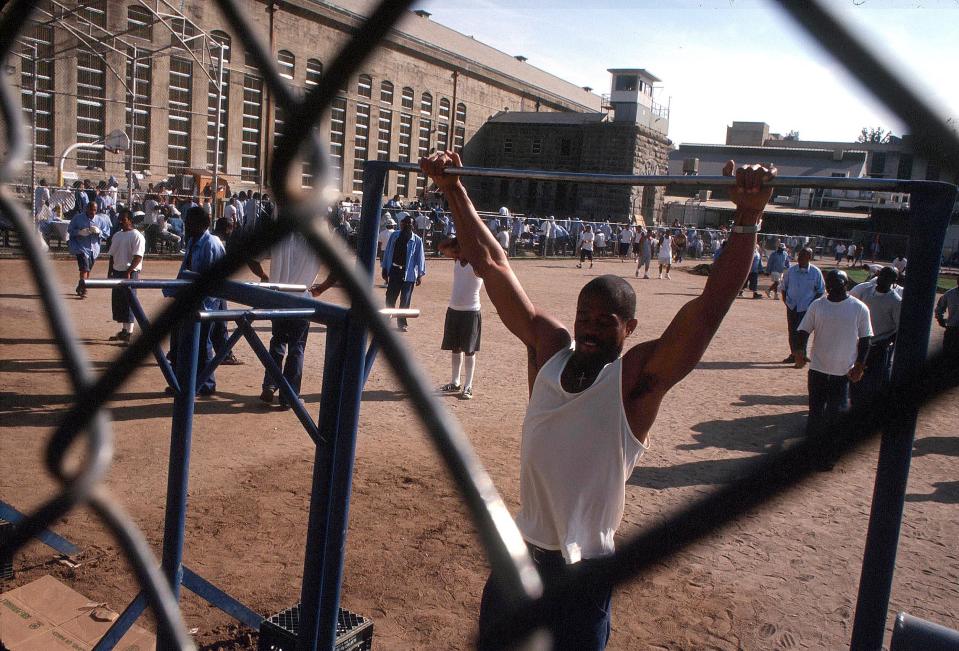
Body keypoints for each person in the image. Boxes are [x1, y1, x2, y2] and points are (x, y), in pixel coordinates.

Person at [420, 151, 777, 650]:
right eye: (584, 315)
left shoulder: (633, 382)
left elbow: (709, 307)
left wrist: (747, 220)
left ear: (629, 329)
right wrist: (452, 186)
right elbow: (492, 261)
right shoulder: (547, 349)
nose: (588, 326)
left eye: (604, 320)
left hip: (583, 572)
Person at [793, 269, 873, 470]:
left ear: (846, 285)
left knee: (835, 415)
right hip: (818, 370)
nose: (831, 288)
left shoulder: (858, 308)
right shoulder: (818, 305)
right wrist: (800, 351)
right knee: (816, 414)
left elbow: (866, 340)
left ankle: (829, 456)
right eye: (829, 285)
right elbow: (803, 330)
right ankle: (810, 454)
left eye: (836, 284)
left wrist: (860, 366)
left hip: (842, 372)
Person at [247, 233, 333, 408]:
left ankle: (270, 385)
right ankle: (289, 395)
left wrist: (264, 276)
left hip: (278, 296)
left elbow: (252, 258)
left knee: (277, 342)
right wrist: (321, 288)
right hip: (301, 298)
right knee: (297, 347)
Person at [164, 206, 226, 396]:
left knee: (202, 343)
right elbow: (186, 269)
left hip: (205, 301)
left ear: (202, 224)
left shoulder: (211, 243)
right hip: (188, 299)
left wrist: (201, 301)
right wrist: (173, 289)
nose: (186, 226)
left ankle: (206, 383)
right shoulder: (192, 241)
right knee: (181, 342)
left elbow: (212, 277)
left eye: (189, 223)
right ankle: (181, 381)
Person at [437, 237, 484, 400]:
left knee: (469, 350)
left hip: (471, 311)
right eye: (457, 249)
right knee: (455, 348)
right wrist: (458, 239)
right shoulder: (457, 261)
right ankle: (455, 382)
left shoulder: (477, 265)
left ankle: (468, 385)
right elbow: (442, 246)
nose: (456, 252)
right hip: (454, 309)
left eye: (460, 249)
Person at [848, 267, 901, 407]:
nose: (882, 279)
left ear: (894, 281)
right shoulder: (865, 292)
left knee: (873, 381)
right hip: (861, 343)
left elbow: (898, 329)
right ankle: (854, 408)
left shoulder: (895, 301)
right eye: (881, 275)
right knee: (855, 377)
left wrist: (887, 343)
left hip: (879, 346)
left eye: (887, 277)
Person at [106, 208, 146, 343]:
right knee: (119, 302)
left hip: (130, 273)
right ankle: (124, 331)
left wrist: (129, 272)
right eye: (120, 219)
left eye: (124, 219)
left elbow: (138, 257)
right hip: (117, 271)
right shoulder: (117, 235)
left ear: (130, 220)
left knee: (130, 302)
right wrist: (110, 271)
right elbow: (112, 255)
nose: (121, 222)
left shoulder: (137, 236)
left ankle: (129, 333)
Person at [381, 213, 426, 332]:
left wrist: (420, 274)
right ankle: (386, 320)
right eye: (404, 223)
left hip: (409, 274)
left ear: (413, 226)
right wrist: (385, 268)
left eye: (409, 224)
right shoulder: (395, 236)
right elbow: (387, 253)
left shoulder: (417, 240)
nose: (406, 226)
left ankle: (402, 323)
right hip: (395, 271)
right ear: (401, 224)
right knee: (390, 297)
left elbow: (420, 257)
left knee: (405, 300)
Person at [780, 248, 825, 364]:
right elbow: (784, 287)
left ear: (809, 257)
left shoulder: (816, 272)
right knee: (792, 331)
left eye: (803, 256)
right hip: (792, 306)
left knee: (804, 331)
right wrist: (786, 300)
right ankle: (793, 354)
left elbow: (820, 290)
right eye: (799, 255)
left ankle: (802, 354)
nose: (800, 258)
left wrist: (812, 304)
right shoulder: (791, 271)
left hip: (806, 307)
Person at [67, 200, 112, 298]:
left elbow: (107, 233)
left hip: (94, 249)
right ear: (87, 209)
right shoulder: (78, 218)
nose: (93, 212)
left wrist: (99, 232)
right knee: (84, 269)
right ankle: (84, 289)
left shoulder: (100, 220)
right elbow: (70, 230)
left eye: (95, 210)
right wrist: (79, 232)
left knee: (88, 269)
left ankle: (81, 285)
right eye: (91, 210)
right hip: (81, 248)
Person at [935, 276, 959, 363]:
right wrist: (940, 319)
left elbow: (939, 308)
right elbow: (939, 308)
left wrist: (940, 319)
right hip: (952, 329)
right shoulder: (949, 294)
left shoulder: (949, 294)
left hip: (951, 328)